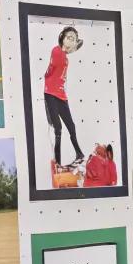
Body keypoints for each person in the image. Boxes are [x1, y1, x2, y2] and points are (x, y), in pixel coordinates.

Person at [43, 25, 86, 170]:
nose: (71, 41)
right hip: (51, 95)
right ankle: (58, 163)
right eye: (69, 38)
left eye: (73, 40)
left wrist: (70, 49)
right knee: (58, 130)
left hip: (61, 96)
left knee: (71, 127)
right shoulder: (57, 52)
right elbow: (53, 67)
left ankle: (79, 154)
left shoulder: (65, 57)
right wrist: (71, 49)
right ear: (62, 37)